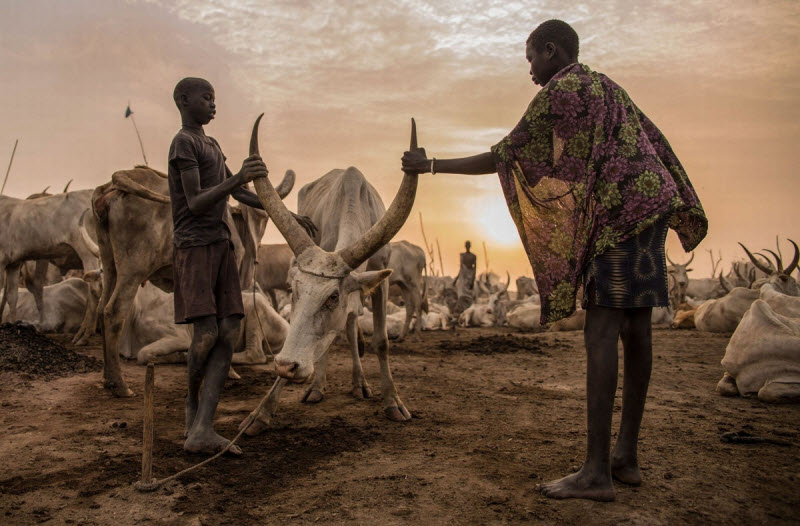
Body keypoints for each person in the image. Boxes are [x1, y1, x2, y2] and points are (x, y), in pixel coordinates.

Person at [402, 20, 706, 501]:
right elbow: (651, 140)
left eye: (530, 59)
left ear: (550, 50)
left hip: (618, 215)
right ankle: (625, 458)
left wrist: (431, 165)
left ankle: (596, 473)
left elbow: (506, 155)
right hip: (652, 205)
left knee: (600, 330)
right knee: (637, 328)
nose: (530, 71)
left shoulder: (561, 90)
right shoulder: (605, 86)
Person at [168, 77, 314, 455]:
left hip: (221, 244)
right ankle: (191, 406)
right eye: (206, 98)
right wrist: (239, 176)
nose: (213, 104)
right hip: (195, 245)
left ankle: (204, 427)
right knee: (205, 334)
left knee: (230, 329)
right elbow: (196, 201)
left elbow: (239, 193)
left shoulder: (212, 144)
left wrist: (287, 214)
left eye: (214, 98)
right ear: (183, 100)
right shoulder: (184, 143)